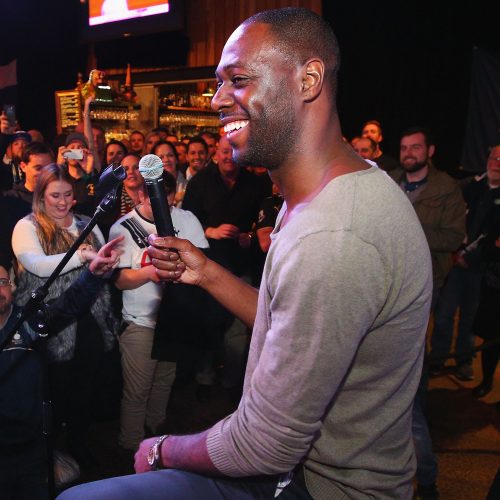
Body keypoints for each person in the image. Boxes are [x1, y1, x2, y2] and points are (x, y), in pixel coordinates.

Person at [58, 7, 432, 499]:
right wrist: (208, 271)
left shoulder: (335, 232)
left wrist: (161, 449)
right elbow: (286, 325)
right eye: (218, 83)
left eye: (237, 79)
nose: (216, 100)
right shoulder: (329, 194)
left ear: (309, 79)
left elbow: (266, 443)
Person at [12, 163, 119, 469]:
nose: (62, 202)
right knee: (53, 391)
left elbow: (105, 265)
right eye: (54, 195)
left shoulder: (88, 221)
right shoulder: (27, 226)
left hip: (91, 318)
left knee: (84, 388)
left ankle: (78, 443)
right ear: (40, 197)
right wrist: (82, 255)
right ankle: (48, 455)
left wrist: (107, 263)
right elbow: (36, 265)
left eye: (68, 195)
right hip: (49, 322)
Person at [0, 239, 122, 500]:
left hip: (31, 446)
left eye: (1, 282)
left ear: (11, 285)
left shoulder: (28, 321)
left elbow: (68, 304)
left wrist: (92, 275)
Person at [109, 171, 208, 451]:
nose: (163, 207)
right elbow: (119, 280)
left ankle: (155, 437)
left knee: (164, 381)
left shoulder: (186, 219)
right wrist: (150, 272)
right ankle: (130, 446)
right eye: (155, 200)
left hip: (176, 319)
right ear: (140, 195)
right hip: (141, 321)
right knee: (137, 391)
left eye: (167, 200)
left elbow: (204, 265)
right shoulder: (123, 228)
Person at [431, 144, 500, 381]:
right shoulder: (471, 186)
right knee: (444, 315)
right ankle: (437, 358)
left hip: (479, 270)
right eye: (494, 157)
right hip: (454, 264)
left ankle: (464, 360)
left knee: (469, 319)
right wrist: (454, 253)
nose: (497, 162)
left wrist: (470, 257)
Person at [152, 140, 187, 207]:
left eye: (170, 155)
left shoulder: (188, 187)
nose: (166, 160)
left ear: (176, 159)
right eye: (161, 157)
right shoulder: (148, 189)